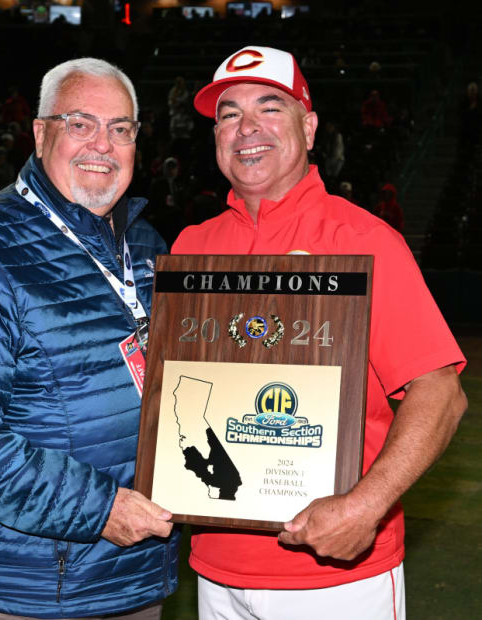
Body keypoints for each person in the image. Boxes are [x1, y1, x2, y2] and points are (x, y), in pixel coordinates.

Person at [171, 45, 467, 620]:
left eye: (269, 108)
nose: (246, 128)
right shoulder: (192, 246)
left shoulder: (365, 239)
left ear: (308, 127)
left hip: (335, 575)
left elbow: (441, 393)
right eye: (228, 114)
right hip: (215, 569)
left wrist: (366, 506)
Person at [0, 57, 180, 620]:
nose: (102, 144)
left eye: (120, 129)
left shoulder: (148, 246)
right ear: (40, 131)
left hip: (132, 576)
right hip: (19, 587)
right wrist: (99, 510)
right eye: (81, 123)